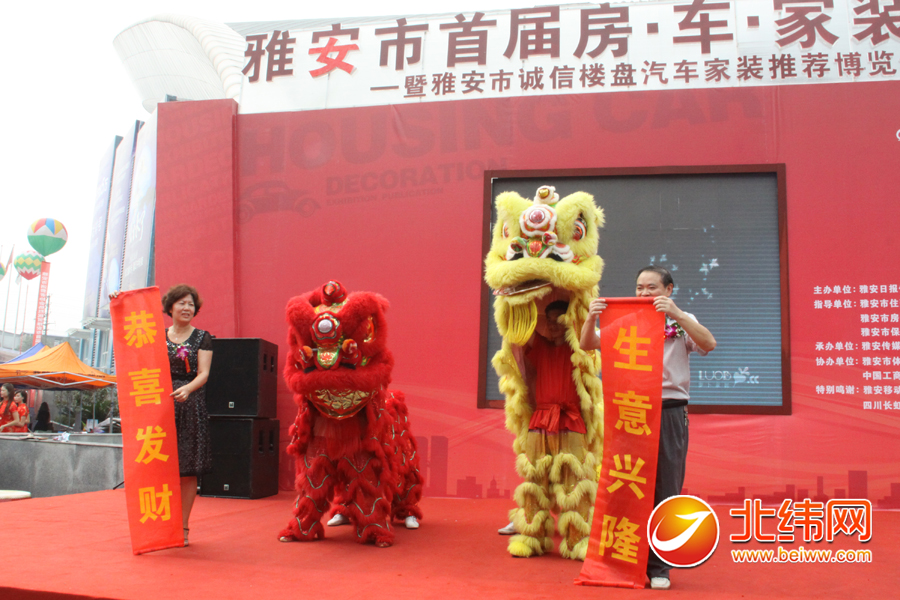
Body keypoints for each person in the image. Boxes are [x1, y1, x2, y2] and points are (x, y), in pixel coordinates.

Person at [580, 266, 716, 591]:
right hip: (631, 412)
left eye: (652, 287)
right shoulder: (626, 321)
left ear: (669, 290)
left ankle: (659, 567)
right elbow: (588, 344)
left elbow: (709, 343)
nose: (644, 293)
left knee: (666, 488)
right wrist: (590, 317)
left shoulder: (681, 321)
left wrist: (677, 314)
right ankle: (621, 561)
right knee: (625, 487)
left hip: (668, 411)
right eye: (640, 287)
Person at [162, 284, 214, 546]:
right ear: (170, 307)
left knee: (187, 469)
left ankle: (182, 527)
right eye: (181, 303)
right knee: (160, 467)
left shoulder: (202, 337)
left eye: (191, 304)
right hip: (161, 405)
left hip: (190, 404)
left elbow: (204, 373)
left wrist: (187, 389)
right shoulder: (158, 336)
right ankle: (161, 525)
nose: (186, 308)